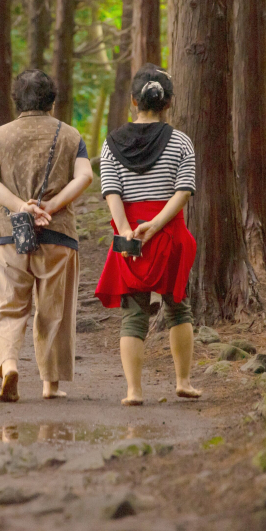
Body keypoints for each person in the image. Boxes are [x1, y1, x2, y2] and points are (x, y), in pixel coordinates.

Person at [0, 70, 93, 402]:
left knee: (3, 306)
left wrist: (21, 207)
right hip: (58, 235)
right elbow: (85, 175)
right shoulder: (71, 135)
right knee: (53, 310)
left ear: (17, 101)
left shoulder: (0, 136)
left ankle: (9, 365)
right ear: (52, 103)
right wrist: (51, 206)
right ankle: (50, 385)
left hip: (7, 236)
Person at [94, 64, 200, 405]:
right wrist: (155, 226)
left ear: (133, 101)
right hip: (168, 235)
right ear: (167, 103)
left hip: (130, 242)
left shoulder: (110, 145)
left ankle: (133, 391)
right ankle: (183, 381)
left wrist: (128, 231)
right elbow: (183, 191)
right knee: (178, 309)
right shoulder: (181, 142)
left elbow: (111, 191)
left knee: (134, 314)